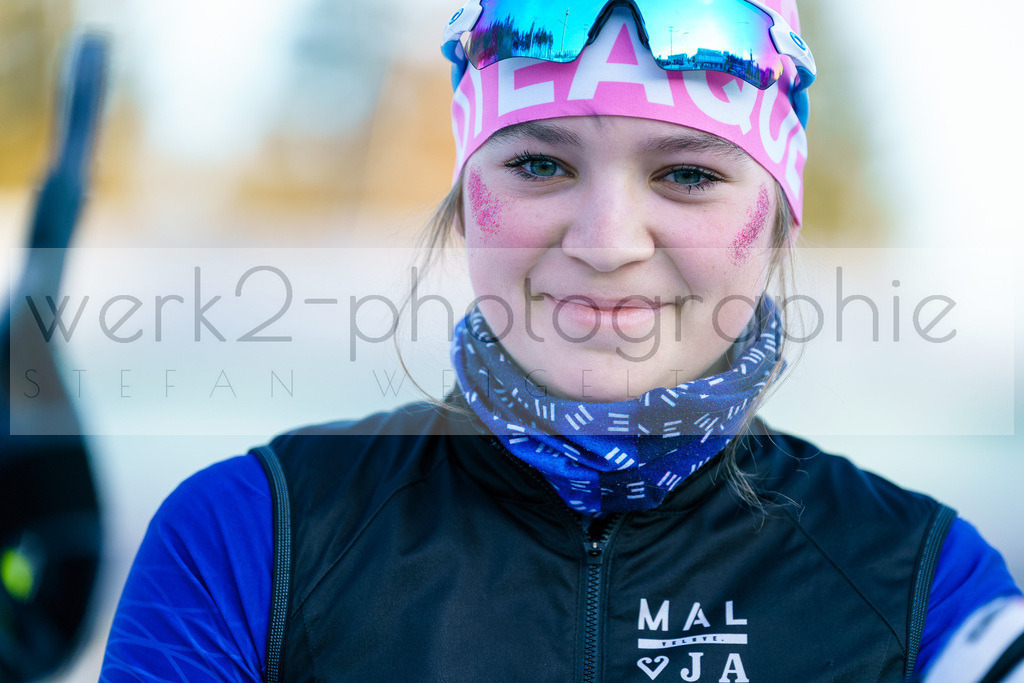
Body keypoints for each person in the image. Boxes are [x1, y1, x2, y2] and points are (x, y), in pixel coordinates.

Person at [100, 0, 1021, 680]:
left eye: (689, 175)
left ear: (778, 219)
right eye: (541, 164)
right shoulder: (253, 538)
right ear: (465, 198)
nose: (606, 241)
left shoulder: (924, 589)